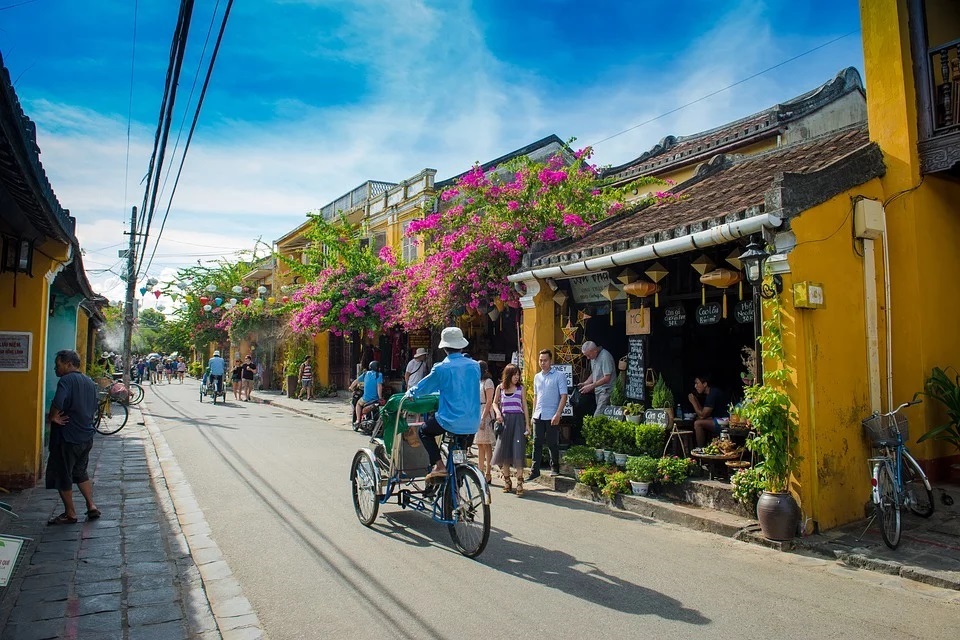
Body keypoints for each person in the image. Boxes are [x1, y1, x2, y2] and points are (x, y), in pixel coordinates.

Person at [407, 327, 481, 483]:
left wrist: (411, 393)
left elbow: (425, 387)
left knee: (424, 431)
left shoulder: (442, 368)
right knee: (459, 455)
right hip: (473, 422)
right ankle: (457, 481)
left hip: (450, 420)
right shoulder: (475, 365)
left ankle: (439, 465)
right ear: (461, 346)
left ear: (445, 348)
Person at [45, 350, 100, 525]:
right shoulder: (89, 382)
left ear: (69, 364)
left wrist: (53, 416)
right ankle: (91, 505)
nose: (55, 369)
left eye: (58, 365)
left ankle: (70, 513)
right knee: (80, 472)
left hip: (68, 437)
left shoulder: (66, 380)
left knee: (63, 474)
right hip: (86, 436)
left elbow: (59, 401)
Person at [529, 349, 568, 480]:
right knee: (536, 442)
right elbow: (535, 396)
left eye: (545, 360)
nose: (542, 363)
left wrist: (558, 413)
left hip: (552, 414)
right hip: (538, 414)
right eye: (540, 360)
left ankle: (555, 467)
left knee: (552, 443)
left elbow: (564, 396)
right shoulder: (537, 377)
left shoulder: (559, 376)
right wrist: (533, 414)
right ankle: (535, 470)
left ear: (550, 361)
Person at [491, 363, 529, 495]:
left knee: (518, 451)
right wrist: (498, 413)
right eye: (514, 374)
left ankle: (519, 482)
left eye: (518, 374)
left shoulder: (520, 388)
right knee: (504, 452)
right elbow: (494, 403)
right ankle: (507, 481)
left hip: (518, 421)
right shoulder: (500, 388)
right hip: (505, 421)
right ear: (508, 375)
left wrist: (527, 424)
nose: (517, 377)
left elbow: (524, 405)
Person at [689, 374, 729, 447]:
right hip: (718, 419)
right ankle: (706, 446)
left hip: (724, 421)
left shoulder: (713, 393)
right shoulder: (710, 392)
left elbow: (702, 415)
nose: (695, 386)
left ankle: (701, 449)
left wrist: (693, 402)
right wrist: (696, 400)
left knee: (697, 423)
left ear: (705, 384)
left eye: (697, 383)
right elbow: (703, 413)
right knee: (698, 420)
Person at [578, 341, 616, 416]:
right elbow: (594, 372)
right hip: (598, 391)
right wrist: (585, 383)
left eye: (588, 355)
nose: (588, 358)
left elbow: (607, 378)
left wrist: (591, 386)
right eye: (586, 356)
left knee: (597, 416)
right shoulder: (593, 357)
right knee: (602, 417)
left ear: (595, 350)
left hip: (606, 391)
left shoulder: (605, 357)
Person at [475, 360, 496, 484]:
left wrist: (483, 418)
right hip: (478, 411)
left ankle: (488, 472)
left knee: (487, 444)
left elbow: (489, 401)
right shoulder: (479, 382)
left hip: (485, 413)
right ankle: (480, 471)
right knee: (479, 444)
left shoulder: (488, 382)